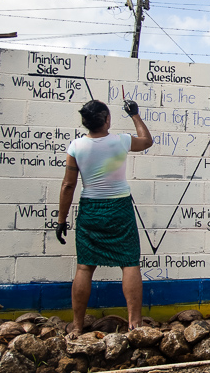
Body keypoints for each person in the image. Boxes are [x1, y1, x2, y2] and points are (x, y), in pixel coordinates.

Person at [56, 98, 152, 333]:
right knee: (129, 263)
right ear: (106, 119)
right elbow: (147, 141)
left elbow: (68, 185)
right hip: (120, 208)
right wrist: (135, 115)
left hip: (91, 209)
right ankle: (134, 325)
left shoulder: (76, 147)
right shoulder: (120, 141)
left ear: (86, 122)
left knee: (84, 267)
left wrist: (61, 219)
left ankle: (77, 327)